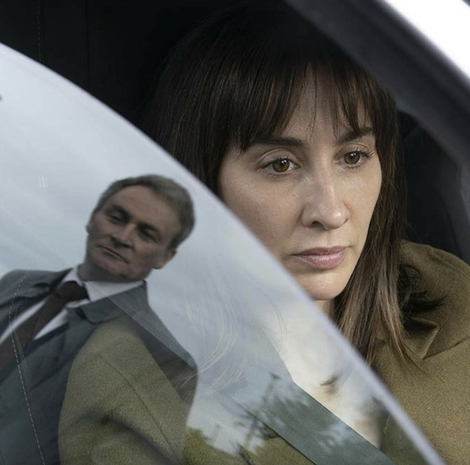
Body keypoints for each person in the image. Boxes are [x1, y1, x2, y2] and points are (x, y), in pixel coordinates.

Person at [60, 2, 470, 464]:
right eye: (280, 165)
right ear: (199, 184)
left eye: (353, 157)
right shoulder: (134, 390)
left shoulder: (447, 290)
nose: (331, 211)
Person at [0, 174, 195, 465]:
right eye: (116, 218)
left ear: (165, 257)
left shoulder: (162, 357)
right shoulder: (18, 281)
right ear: (93, 218)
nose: (122, 237)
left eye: (146, 234)